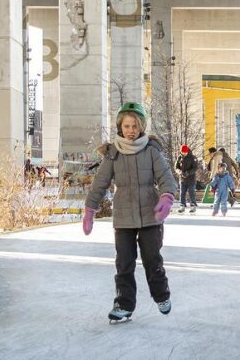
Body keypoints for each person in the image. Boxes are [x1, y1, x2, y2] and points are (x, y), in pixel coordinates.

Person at [83, 102, 179, 323]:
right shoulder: (112, 153)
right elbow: (100, 183)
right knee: (124, 263)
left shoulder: (151, 150)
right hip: (124, 217)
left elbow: (166, 178)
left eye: (135, 125)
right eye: (127, 126)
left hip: (150, 216)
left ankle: (162, 296)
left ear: (142, 126)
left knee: (152, 260)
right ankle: (123, 305)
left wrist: (166, 197)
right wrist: (90, 209)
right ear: (120, 126)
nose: (131, 130)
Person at [175, 144, 201, 214]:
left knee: (191, 193)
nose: (184, 153)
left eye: (185, 152)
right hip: (182, 179)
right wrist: (180, 172)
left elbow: (195, 168)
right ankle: (182, 205)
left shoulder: (193, 158)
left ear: (187, 151)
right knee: (182, 193)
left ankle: (193, 205)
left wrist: (188, 173)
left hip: (191, 179)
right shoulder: (179, 158)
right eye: (183, 152)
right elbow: (176, 167)